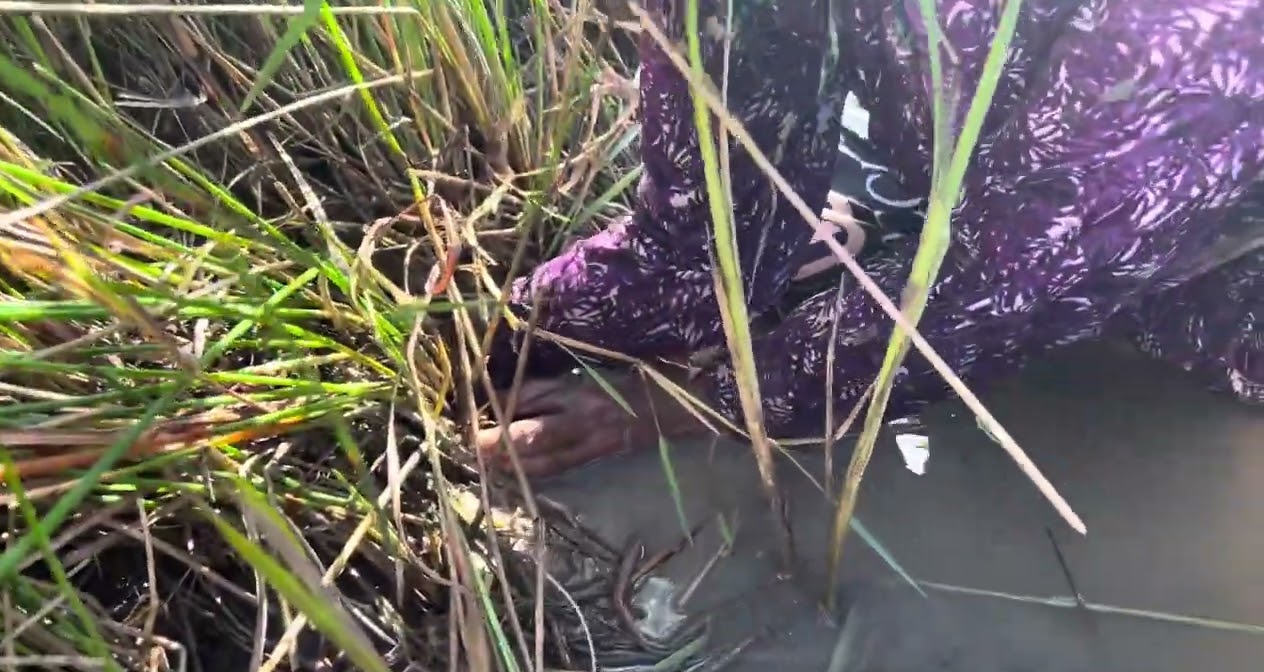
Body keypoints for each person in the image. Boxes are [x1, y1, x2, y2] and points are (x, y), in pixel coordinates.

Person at [475, 0, 1264, 478]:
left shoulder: (1194, 33)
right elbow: (706, 203)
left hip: (1201, 275)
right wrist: (511, 326)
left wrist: (669, 410)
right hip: (996, 193)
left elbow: (986, 290)